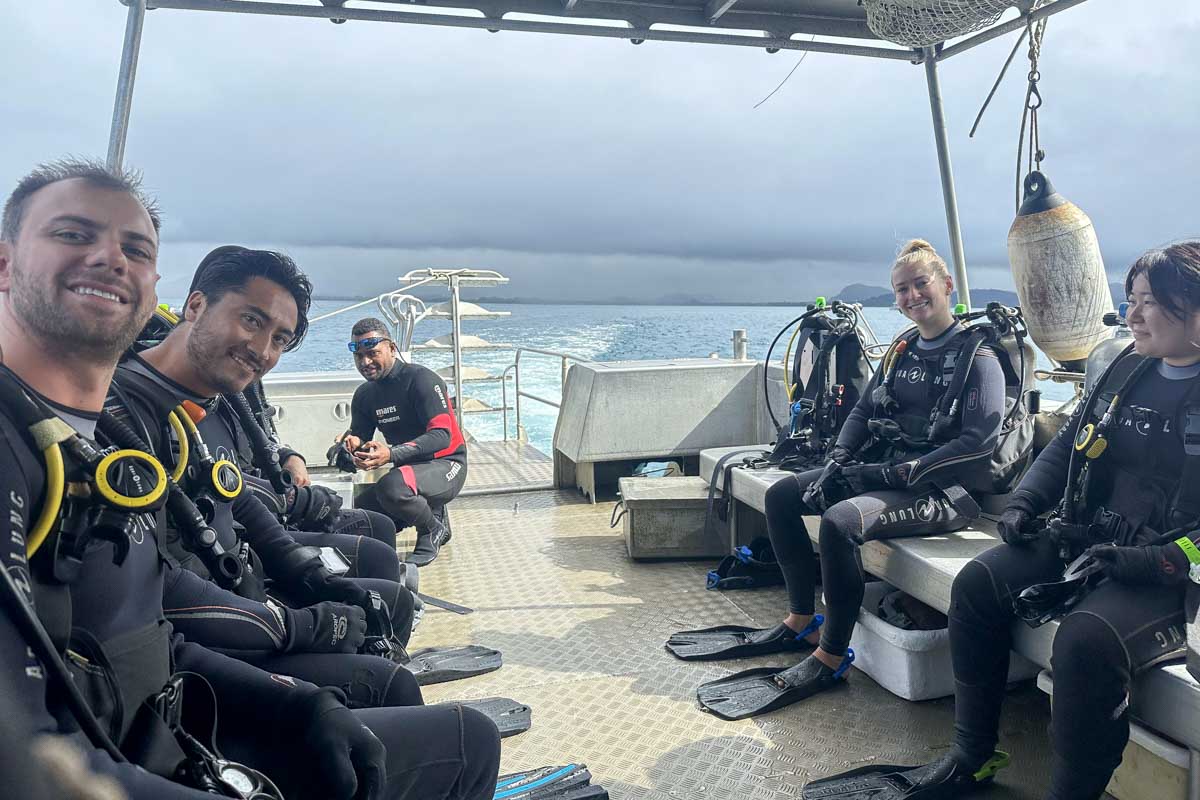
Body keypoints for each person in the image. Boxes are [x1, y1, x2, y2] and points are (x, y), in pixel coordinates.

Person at [0, 158, 500, 799]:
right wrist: (296, 626)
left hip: (175, 722)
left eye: (136, 250)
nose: (110, 260)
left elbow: (152, 627)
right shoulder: (35, 442)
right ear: (6, 264)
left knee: (446, 726)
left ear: (153, 290)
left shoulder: (100, 441)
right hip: (139, 757)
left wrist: (301, 705)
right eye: (73, 234)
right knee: (458, 734)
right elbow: (29, 763)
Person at [810, 242, 1200, 800]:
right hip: (1093, 541)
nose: (1132, 315)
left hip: (1170, 573)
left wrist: (1152, 560)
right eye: (1130, 300)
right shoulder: (1126, 369)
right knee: (977, 584)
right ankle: (972, 757)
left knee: (1086, 640)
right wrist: (1024, 504)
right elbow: (1069, 443)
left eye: (1150, 303)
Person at [679, 239, 1021, 720]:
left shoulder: (979, 357)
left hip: (944, 491)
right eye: (901, 289)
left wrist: (904, 471)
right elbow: (863, 410)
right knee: (782, 495)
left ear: (946, 285)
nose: (911, 296)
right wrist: (839, 457)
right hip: (884, 471)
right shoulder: (902, 350)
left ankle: (831, 655)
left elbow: (979, 440)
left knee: (840, 522)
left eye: (920, 284)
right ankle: (801, 619)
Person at [107, 247, 424, 692]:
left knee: (386, 603)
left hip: (241, 590)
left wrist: (308, 575)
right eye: (252, 321)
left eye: (279, 339)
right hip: (197, 648)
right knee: (395, 686)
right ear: (195, 306)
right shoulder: (125, 417)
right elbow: (156, 586)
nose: (262, 350)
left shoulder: (210, 401)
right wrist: (295, 627)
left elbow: (235, 495)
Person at [338, 317, 468, 566]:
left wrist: (391, 454)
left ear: (391, 348)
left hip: (448, 464)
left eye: (373, 353)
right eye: (359, 356)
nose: (365, 362)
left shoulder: (421, 379)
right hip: (409, 472)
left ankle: (432, 528)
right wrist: (349, 446)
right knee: (356, 515)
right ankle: (427, 512)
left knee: (392, 488)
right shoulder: (364, 395)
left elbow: (442, 436)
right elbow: (361, 436)